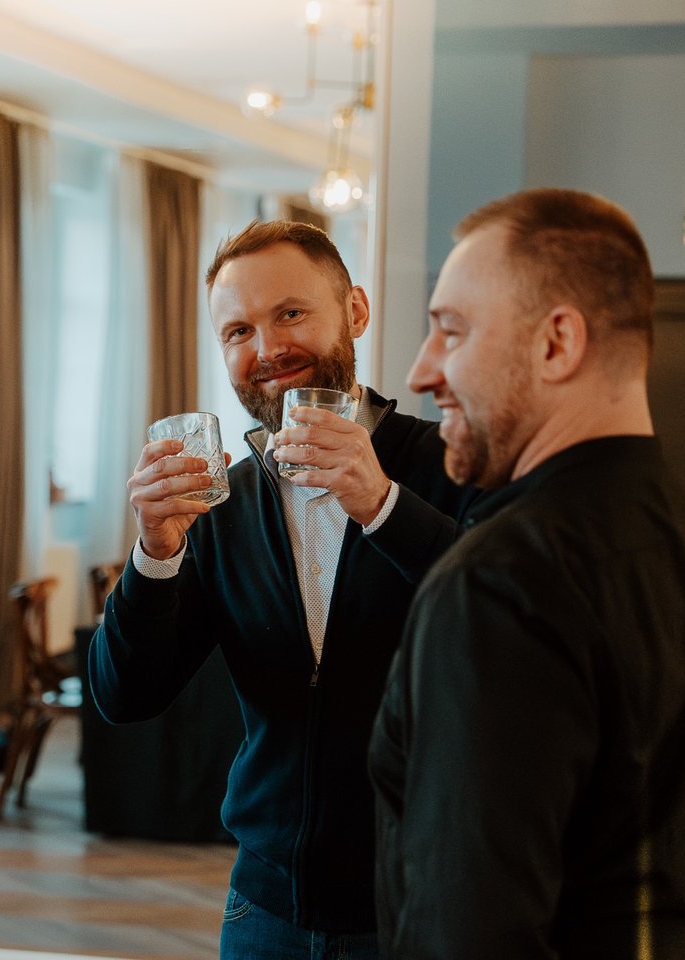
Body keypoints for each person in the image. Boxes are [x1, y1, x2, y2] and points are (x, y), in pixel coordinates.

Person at [370, 187, 685, 958]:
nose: (422, 370)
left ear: (557, 343)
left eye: (451, 330)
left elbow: (468, 935)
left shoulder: (496, 584)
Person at [89, 220, 477, 958]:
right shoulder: (220, 504)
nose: (267, 349)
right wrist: (155, 553)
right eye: (238, 331)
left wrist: (382, 506)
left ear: (355, 311)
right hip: (265, 907)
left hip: (426, 903)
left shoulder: (454, 466)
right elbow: (124, 696)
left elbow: (503, 638)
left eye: (291, 313)